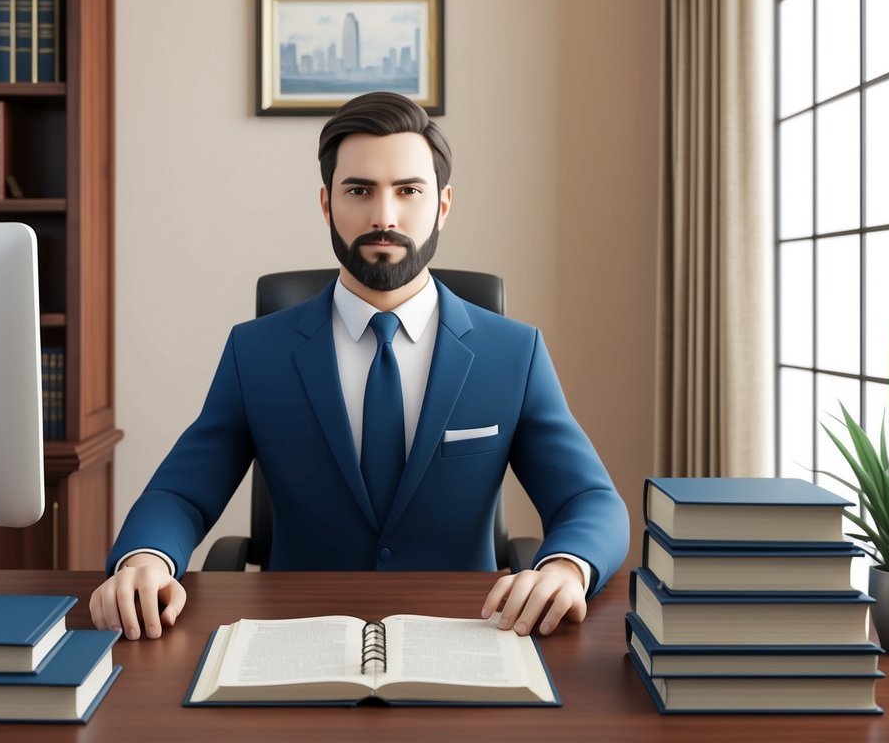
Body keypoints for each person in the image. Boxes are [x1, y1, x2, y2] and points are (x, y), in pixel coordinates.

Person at [92, 92, 628, 640]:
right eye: (359, 191)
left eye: (408, 191)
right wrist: (145, 562)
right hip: (296, 637)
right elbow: (180, 493)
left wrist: (565, 566)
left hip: (468, 637)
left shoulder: (513, 353)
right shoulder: (256, 352)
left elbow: (589, 499)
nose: (384, 216)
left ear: (442, 204)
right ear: (326, 202)